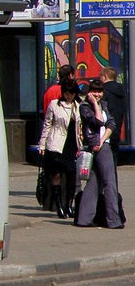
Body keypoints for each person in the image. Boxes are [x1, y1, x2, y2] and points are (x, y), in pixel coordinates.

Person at [75, 78, 124, 229]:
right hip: (97, 147)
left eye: (99, 91)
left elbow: (111, 124)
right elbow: (98, 121)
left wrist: (102, 139)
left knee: (95, 182)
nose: (97, 94)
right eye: (94, 91)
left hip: (102, 144)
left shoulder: (104, 105)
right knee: (110, 182)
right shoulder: (85, 106)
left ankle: (83, 218)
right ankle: (113, 220)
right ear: (89, 92)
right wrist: (95, 105)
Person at [38, 80, 82, 219]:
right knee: (56, 175)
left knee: (71, 176)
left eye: (71, 93)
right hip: (56, 143)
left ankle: (69, 205)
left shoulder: (78, 106)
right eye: (67, 93)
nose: (69, 96)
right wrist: (42, 144)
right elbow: (47, 125)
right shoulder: (55, 105)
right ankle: (58, 206)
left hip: (72, 144)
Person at [100, 66, 127, 168]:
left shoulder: (104, 91)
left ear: (105, 76)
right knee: (113, 161)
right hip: (117, 128)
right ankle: (113, 183)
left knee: (104, 163)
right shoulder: (121, 91)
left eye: (100, 77)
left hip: (105, 130)